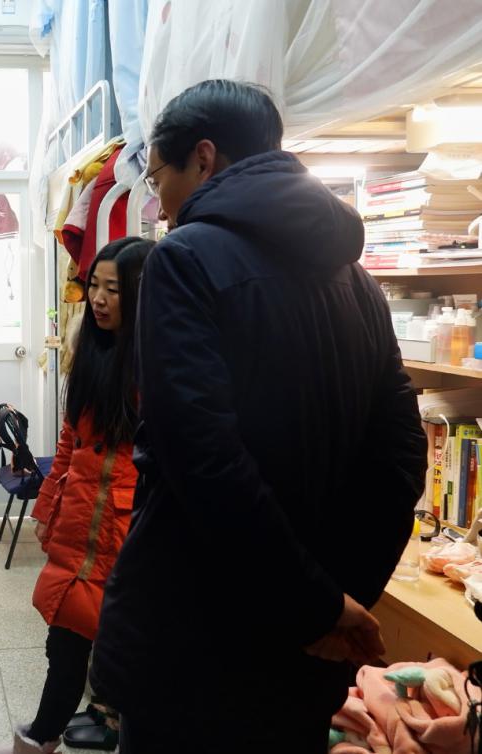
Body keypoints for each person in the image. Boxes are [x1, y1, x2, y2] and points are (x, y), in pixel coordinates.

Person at [90, 79, 427, 753]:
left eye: (157, 177)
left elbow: (201, 458)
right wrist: (336, 600)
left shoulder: (182, 260)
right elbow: (401, 455)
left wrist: (314, 605)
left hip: (196, 630)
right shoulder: (357, 282)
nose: (158, 202)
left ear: (204, 158)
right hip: (306, 651)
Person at [0, 237, 154, 754]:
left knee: (115, 651)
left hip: (124, 532)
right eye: (94, 286)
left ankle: (60, 730)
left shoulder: (159, 364)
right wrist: (47, 507)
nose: (98, 299)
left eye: (113, 289)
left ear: (140, 294)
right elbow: (70, 441)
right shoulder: (92, 351)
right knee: (65, 642)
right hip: (82, 521)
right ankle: (47, 733)